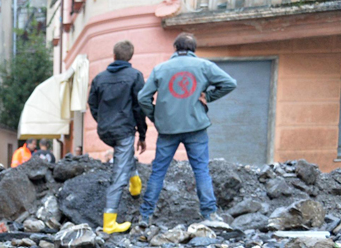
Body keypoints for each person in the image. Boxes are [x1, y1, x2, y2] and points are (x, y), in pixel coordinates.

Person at [137, 32, 237, 227]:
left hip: (167, 129)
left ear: (175, 48)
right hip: (196, 127)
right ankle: (210, 215)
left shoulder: (160, 69)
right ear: (193, 49)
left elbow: (142, 98)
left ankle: (145, 216)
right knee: (201, 170)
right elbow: (229, 83)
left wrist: (156, 116)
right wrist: (208, 96)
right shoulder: (204, 66)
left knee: (158, 172)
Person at [87, 40, 147, 234]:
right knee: (119, 175)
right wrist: (142, 133)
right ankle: (109, 221)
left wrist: (102, 120)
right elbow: (139, 108)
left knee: (124, 153)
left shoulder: (99, 78)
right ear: (130, 57)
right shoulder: (135, 76)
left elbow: (92, 104)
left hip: (105, 130)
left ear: (114, 55)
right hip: (124, 129)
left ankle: (135, 183)